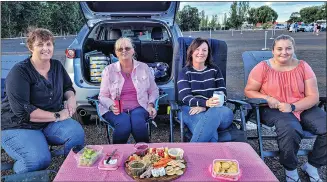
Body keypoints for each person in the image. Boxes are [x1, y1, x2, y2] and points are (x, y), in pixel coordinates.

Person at [1, 28, 85, 174]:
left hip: (47, 122)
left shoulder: (57, 66)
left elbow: (67, 87)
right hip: (19, 125)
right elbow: (23, 112)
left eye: (48, 44)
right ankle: (19, 172)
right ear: (30, 47)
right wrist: (58, 116)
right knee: (38, 160)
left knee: (76, 133)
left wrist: (71, 98)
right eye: (40, 44)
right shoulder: (19, 72)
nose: (45, 48)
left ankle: (69, 173)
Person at [244, 34, 326, 182]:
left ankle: (313, 165)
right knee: (290, 129)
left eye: (288, 48)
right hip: (273, 108)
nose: (284, 52)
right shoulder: (262, 67)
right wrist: (268, 98)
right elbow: (249, 91)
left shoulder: (303, 66)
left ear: (293, 49)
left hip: (302, 106)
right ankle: (291, 170)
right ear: (273, 51)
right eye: (279, 49)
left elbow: (313, 97)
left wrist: (293, 106)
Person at [98, 37, 159, 144]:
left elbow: (153, 90)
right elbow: (102, 96)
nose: (124, 51)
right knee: (123, 124)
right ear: (116, 53)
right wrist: (111, 106)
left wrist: (150, 105)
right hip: (114, 108)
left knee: (138, 123)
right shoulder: (108, 70)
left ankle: (144, 155)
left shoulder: (144, 68)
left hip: (139, 106)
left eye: (127, 48)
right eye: (120, 49)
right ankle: (117, 155)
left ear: (133, 50)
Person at [177, 37, 234, 142]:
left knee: (215, 113)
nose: (200, 53)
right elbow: (185, 97)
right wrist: (205, 103)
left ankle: (190, 154)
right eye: (197, 49)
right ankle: (211, 157)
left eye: (204, 50)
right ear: (191, 52)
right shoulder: (185, 72)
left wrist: (206, 106)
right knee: (209, 135)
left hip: (218, 111)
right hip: (190, 109)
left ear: (208, 53)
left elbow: (223, 94)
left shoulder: (215, 70)